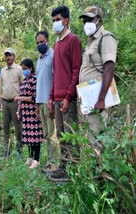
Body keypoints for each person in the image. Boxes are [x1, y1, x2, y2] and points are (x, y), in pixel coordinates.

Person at [48, 5, 82, 179]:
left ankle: (74, 170)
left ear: (66, 20)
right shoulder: (57, 43)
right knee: (61, 134)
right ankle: (64, 166)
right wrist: (51, 97)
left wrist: (69, 97)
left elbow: (76, 71)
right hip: (57, 97)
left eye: (58, 20)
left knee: (70, 133)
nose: (55, 23)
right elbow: (56, 72)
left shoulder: (73, 40)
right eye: (53, 20)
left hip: (68, 98)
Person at [79, 6, 118, 149]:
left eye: (90, 19)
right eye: (84, 20)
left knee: (97, 139)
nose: (86, 23)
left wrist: (101, 99)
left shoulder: (106, 38)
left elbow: (109, 68)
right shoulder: (90, 42)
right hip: (89, 98)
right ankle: (95, 169)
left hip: (98, 98)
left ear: (99, 20)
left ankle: (100, 170)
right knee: (91, 136)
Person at [35, 31, 60, 173]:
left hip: (50, 101)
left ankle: (54, 162)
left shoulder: (53, 55)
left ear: (48, 40)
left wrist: (52, 100)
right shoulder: (39, 59)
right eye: (38, 43)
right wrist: (37, 105)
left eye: (42, 42)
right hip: (41, 101)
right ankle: (50, 160)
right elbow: (39, 82)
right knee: (46, 134)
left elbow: (55, 78)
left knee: (52, 134)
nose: (40, 45)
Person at [15, 59, 43, 169]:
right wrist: (19, 110)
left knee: (35, 136)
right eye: (23, 69)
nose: (24, 71)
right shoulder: (24, 81)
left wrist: (19, 98)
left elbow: (34, 97)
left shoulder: (34, 80)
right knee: (28, 136)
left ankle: (37, 159)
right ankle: (30, 157)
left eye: (25, 69)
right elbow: (20, 98)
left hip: (33, 112)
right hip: (25, 112)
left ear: (31, 68)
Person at [0, 48, 23, 157]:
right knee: (6, 128)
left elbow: (23, 85)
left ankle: (19, 151)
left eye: (10, 55)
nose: (8, 57)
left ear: (14, 56)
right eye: (6, 55)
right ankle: (7, 151)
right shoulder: (2, 70)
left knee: (18, 128)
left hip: (15, 102)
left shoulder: (19, 69)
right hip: (5, 102)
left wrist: (21, 101)